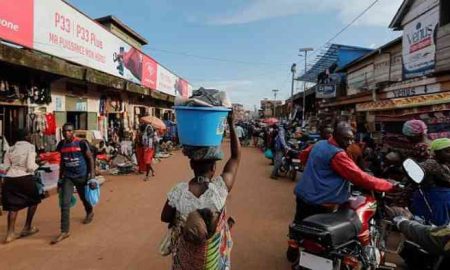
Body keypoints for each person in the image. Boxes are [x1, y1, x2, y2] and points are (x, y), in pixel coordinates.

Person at [160, 112, 241, 270]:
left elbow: (165, 217)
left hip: (186, 260)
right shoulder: (219, 189)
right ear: (213, 168)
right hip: (212, 260)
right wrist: (231, 124)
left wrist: (183, 217)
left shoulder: (179, 191)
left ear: (191, 166)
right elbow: (236, 157)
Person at [293, 121, 396, 224]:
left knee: (299, 225)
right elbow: (359, 177)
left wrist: (318, 170)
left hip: (303, 194)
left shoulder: (319, 144)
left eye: (351, 139)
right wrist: (388, 185)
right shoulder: (337, 154)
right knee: (318, 232)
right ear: (335, 136)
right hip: (320, 201)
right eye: (346, 139)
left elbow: (303, 156)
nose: (350, 143)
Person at [51, 123, 96, 244]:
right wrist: (60, 178)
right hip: (68, 177)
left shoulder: (81, 143)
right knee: (64, 203)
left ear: (73, 132)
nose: (67, 133)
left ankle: (89, 211)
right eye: (65, 131)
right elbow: (61, 162)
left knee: (83, 197)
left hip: (81, 175)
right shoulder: (61, 144)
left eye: (69, 131)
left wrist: (92, 176)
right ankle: (64, 231)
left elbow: (90, 158)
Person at [2, 129, 41, 244]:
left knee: (13, 206)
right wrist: (37, 165)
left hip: (10, 178)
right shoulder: (30, 147)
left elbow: (5, 167)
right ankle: (27, 227)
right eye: (29, 134)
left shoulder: (10, 148)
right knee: (34, 201)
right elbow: (30, 165)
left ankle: (10, 233)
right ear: (26, 136)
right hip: (24, 177)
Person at [410, 138, 450, 225]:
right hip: (435, 199)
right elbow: (416, 169)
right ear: (436, 153)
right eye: (447, 151)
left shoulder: (445, 163)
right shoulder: (431, 163)